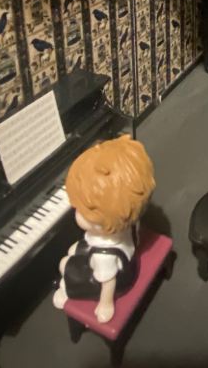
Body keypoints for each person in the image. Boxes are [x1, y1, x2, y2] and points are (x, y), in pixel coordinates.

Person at [52, 134, 155, 323]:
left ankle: (66, 291)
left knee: (65, 263)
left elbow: (108, 282)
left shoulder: (103, 256)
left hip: (120, 279)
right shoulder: (125, 215)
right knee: (74, 250)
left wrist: (105, 305)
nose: (76, 211)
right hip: (124, 253)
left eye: (81, 211)